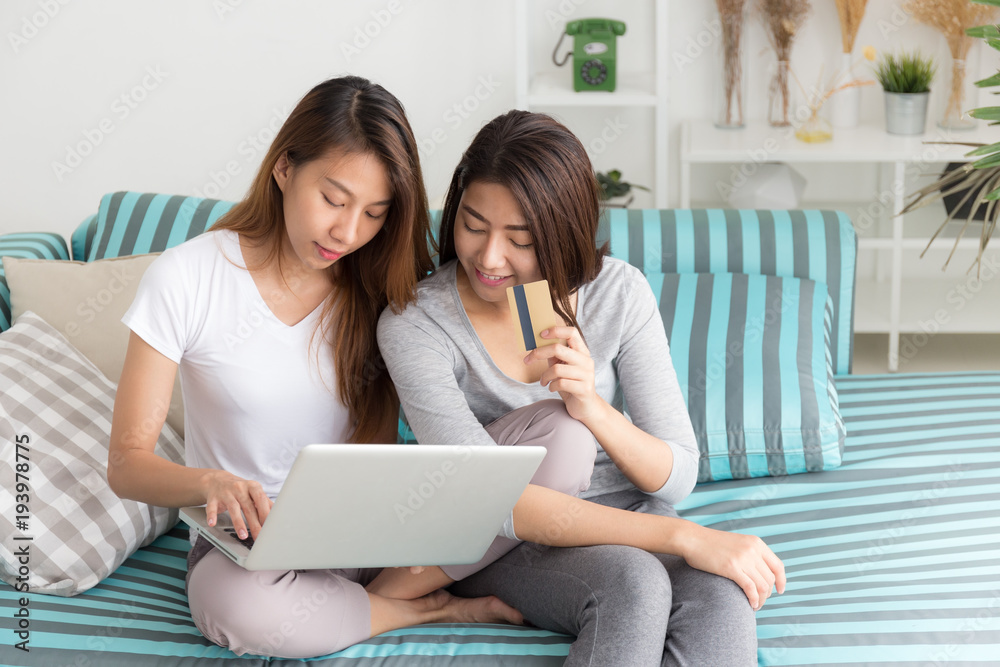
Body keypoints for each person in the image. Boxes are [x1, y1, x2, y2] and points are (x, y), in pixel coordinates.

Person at [107, 76, 533, 659]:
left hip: (369, 533)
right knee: (238, 609)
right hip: (250, 551)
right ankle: (402, 609)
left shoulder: (381, 286)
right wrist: (210, 481)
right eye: (333, 199)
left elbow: (381, 444)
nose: (348, 232)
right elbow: (127, 465)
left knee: (560, 436)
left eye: (374, 213)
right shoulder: (186, 277)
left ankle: (372, 601)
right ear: (285, 167)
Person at [375, 110, 787, 666]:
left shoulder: (618, 292)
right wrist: (684, 538)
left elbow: (677, 474)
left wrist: (592, 405)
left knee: (721, 593)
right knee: (634, 584)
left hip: (625, 507)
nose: (490, 258)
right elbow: (480, 497)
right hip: (508, 536)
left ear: (561, 231)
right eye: (473, 225)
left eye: (519, 239)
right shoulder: (417, 323)